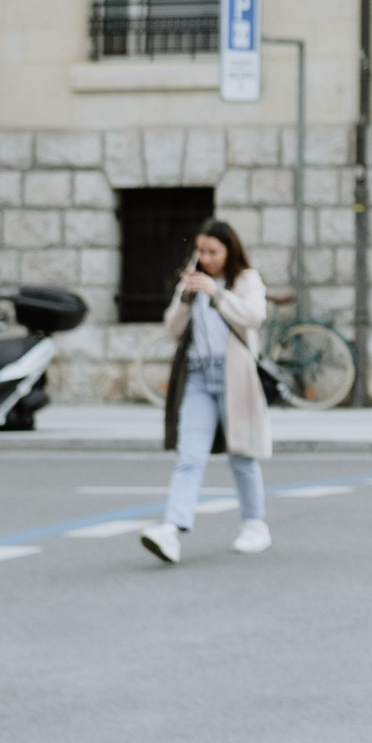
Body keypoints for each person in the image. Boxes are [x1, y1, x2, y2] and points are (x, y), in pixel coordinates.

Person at [139, 219, 272, 567]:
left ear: (229, 251)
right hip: (197, 377)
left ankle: (254, 524)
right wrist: (186, 296)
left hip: (233, 376)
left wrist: (217, 292)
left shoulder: (245, 280)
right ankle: (172, 529)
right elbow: (173, 329)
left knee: (242, 453)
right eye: (201, 250)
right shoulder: (194, 282)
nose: (206, 257)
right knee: (189, 456)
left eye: (213, 251)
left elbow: (254, 316)